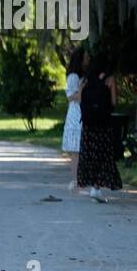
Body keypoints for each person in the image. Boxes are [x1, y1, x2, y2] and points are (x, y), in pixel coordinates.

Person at [76, 52, 122, 201]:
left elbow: (79, 99)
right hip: (103, 124)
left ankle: (93, 187)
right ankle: (96, 188)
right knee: (103, 156)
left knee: (89, 156)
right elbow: (114, 102)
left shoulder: (85, 80)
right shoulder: (109, 80)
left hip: (88, 124)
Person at [61, 47, 86, 190]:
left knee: (82, 148)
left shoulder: (83, 76)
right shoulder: (73, 77)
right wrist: (82, 89)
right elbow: (72, 97)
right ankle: (76, 179)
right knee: (76, 149)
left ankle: (82, 178)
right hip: (76, 113)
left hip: (82, 112)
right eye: (85, 58)